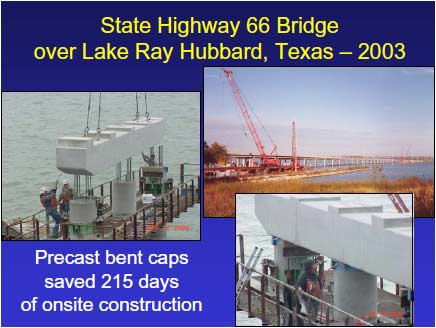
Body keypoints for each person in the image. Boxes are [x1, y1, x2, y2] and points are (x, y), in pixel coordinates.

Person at [297, 259, 322, 324]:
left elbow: (320, 286)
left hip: (316, 300)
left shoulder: (316, 276)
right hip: (308, 300)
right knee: (311, 317)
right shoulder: (304, 276)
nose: (315, 266)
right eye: (313, 265)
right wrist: (299, 288)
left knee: (314, 316)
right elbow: (299, 285)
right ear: (309, 267)